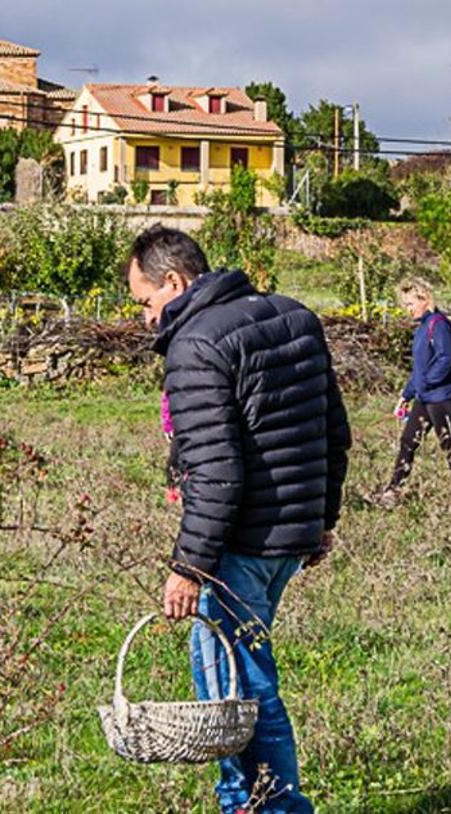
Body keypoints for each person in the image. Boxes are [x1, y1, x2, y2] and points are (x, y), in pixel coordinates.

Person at [127, 225, 351, 814]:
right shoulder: (294, 317)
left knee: (239, 689)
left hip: (241, 543)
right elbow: (333, 430)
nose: (147, 319)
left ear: (173, 282)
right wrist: (320, 519)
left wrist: (189, 567)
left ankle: (266, 806)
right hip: (289, 535)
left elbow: (218, 470)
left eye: (146, 303)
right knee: (245, 676)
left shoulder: (196, 345)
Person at [375, 277, 451, 506]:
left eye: (410, 303)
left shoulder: (439, 324)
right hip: (425, 397)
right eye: (405, 305)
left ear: (424, 299)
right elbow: (419, 368)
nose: (408, 309)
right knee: (408, 440)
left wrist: (425, 383)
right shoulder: (422, 328)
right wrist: (406, 395)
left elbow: (445, 359)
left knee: (448, 443)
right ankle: (392, 491)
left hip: (443, 397)